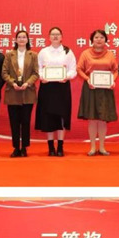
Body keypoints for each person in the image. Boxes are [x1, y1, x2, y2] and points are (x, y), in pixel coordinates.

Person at [77, 29, 118, 156]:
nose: (99, 39)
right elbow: (79, 69)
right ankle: (92, 147)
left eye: (101, 37)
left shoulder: (110, 54)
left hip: (105, 89)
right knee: (92, 119)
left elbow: (115, 70)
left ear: (105, 40)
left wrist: (113, 80)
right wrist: (87, 79)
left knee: (103, 119)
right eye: (96, 37)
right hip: (91, 88)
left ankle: (102, 147)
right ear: (92, 40)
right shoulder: (85, 53)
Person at [36, 26, 76, 156]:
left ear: (61, 37)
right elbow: (38, 68)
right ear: (49, 37)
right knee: (48, 117)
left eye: (57, 34)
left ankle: (60, 146)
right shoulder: (43, 52)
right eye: (53, 34)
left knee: (61, 117)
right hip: (47, 87)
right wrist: (42, 77)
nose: (55, 36)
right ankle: (50, 147)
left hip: (62, 87)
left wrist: (67, 77)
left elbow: (73, 69)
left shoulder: (67, 51)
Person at [1, 30, 39, 157]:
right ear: (16, 40)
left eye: (24, 37)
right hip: (13, 92)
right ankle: (16, 147)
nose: (22, 39)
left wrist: (27, 83)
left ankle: (24, 148)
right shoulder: (9, 55)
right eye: (19, 37)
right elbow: (4, 72)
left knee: (26, 122)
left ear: (27, 40)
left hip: (28, 91)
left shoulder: (33, 55)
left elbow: (36, 73)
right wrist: (13, 83)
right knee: (14, 122)